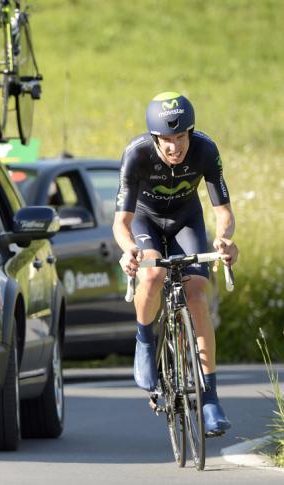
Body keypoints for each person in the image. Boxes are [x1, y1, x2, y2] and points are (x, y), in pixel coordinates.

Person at [112, 91, 239, 437]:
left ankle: (210, 397)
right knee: (152, 273)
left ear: (191, 133)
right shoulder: (136, 154)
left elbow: (223, 213)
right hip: (144, 222)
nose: (174, 148)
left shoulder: (205, 150)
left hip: (187, 221)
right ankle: (144, 341)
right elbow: (120, 223)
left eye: (180, 137)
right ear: (155, 139)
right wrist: (128, 251)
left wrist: (225, 240)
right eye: (166, 141)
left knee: (197, 294)